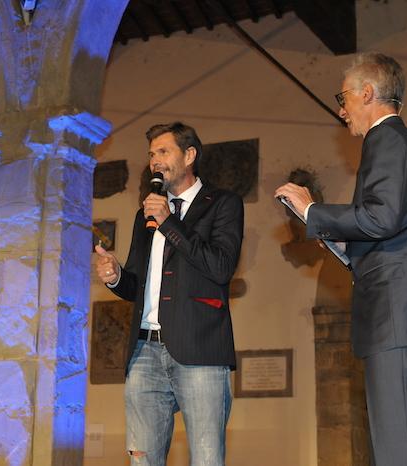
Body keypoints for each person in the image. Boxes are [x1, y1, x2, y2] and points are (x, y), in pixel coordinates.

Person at [275, 53, 407, 466]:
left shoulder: (387, 139)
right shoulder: (403, 143)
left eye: (343, 98)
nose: (342, 110)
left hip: (399, 315)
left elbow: (382, 217)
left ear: (367, 93)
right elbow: (396, 227)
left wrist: (312, 210)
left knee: (400, 453)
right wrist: (345, 246)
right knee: (400, 449)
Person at [95, 122, 243, 466]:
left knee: (206, 460)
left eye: (163, 151)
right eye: (151, 154)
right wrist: (116, 277)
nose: (155, 161)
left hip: (200, 349)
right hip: (144, 352)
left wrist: (169, 223)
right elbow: (136, 284)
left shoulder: (223, 203)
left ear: (189, 155)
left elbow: (221, 267)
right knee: (142, 460)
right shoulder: (144, 214)